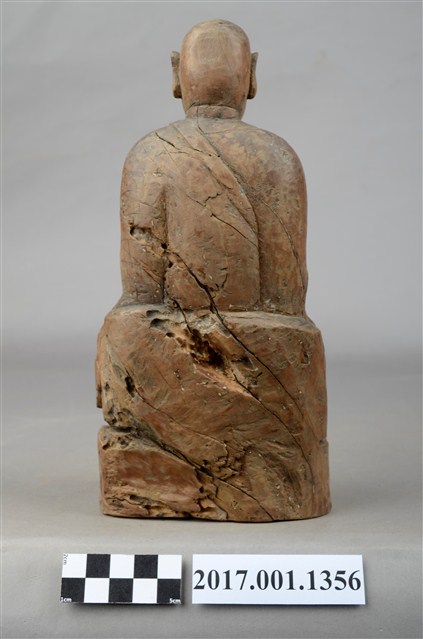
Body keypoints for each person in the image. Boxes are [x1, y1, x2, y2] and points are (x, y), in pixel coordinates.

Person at [96, 20, 330, 522]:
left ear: (176, 75)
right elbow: (289, 297)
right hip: (264, 355)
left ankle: (156, 476)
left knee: (123, 326)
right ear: (252, 77)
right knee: (296, 335)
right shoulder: (278, 157)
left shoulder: (149, 154)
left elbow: (140, 290)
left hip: (176, 349)